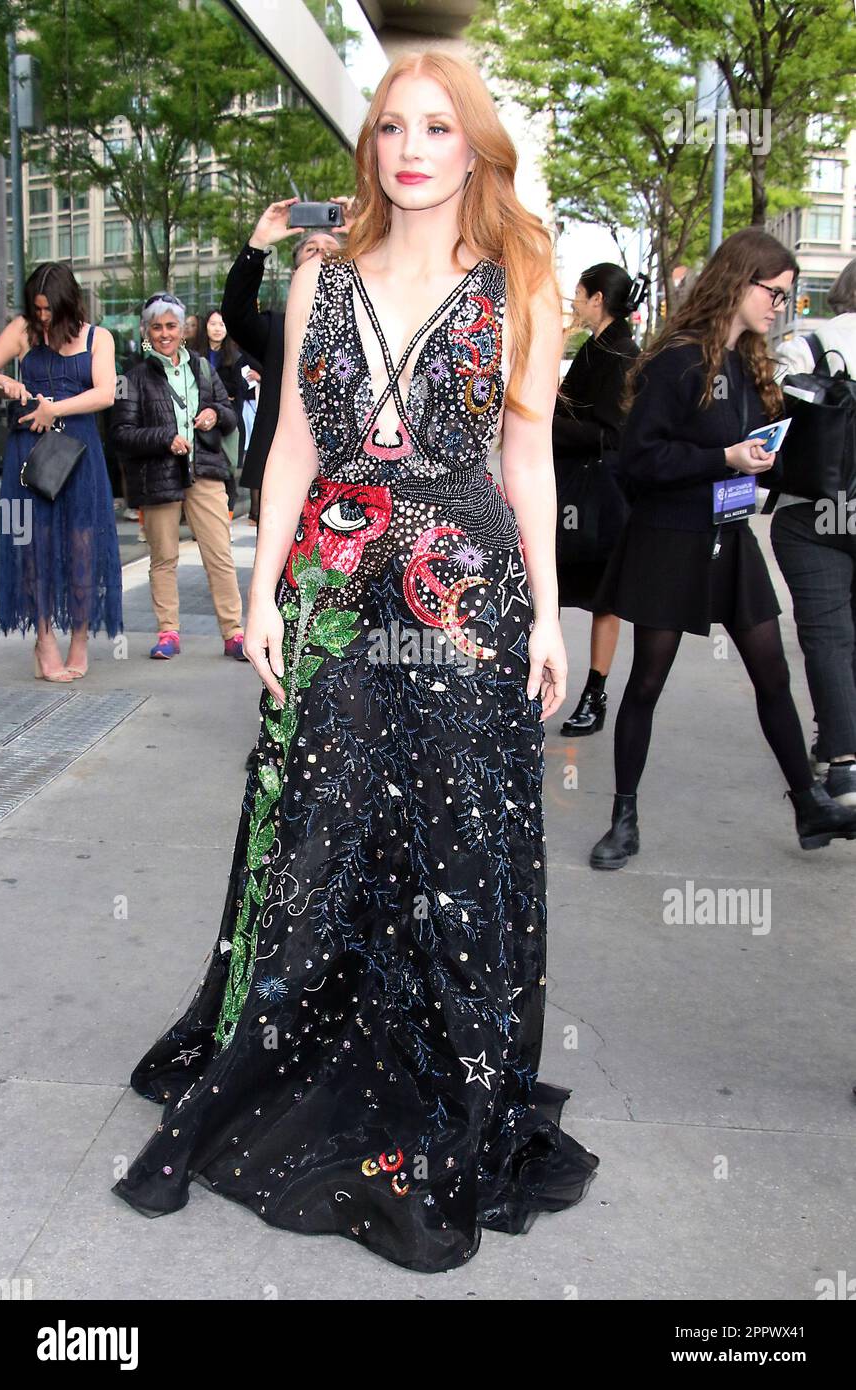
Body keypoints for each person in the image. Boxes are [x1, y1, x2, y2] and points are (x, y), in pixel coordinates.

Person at [112, 50, 599, 1273]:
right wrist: (269, 588)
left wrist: (545, 613)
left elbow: (526, 461)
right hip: (331, 583)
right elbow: (290, 448)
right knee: (322, 820)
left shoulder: (519, 283)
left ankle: (448, 1068)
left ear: (474, 145)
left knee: (455, 832)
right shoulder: (317, 277)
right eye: (391, 127)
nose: (410, 147)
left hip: (461, 589)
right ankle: (300, 1040)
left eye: (437, 127)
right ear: (370, 147)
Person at [589, 228, 856, 869]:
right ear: (739, 281)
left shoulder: (746, 362)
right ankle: (622, 818)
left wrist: (757, 461)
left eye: (787, 298)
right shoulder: (679, 360)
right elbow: (637, 458)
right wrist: (723, 457)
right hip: (670, 540)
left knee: (772, 672)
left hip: (728, 538)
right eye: (775, 293)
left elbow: (726, 452)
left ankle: (809, 802)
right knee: (647, 681)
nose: (780, 307)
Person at [0, 262, 122, 678]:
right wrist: (3, 383)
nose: (42, 316)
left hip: (78, 454)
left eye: (48, 309)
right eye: (37, 308)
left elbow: (105, 393)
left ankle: (78, 641)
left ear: (67, 303)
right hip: (30, 452)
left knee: (83, 549)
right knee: (35, 551)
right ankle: (44, 643)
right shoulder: (24, 330)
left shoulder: (98, 338)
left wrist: (55, 408)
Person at [109, 291, 247, 661]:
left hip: (205, 471)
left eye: (171, 326)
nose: (165, 334)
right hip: (158, 476)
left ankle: (234, 633)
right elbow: (120, 434)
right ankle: (168, 631)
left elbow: (229, 415)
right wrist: (164, 439)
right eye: (157, 327)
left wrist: (215, 415)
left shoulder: (202, 368)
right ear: (146, 331)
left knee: (219, 553)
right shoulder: (132, 377)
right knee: (163, 556)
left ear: (183, 330)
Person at [768, 259, 856, 807]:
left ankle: (844, 765)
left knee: (828, 635)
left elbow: (774, 416)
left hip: (815, 512)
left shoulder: (810, 345)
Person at [554, 263, 641, 737]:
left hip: (597, 497)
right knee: (562, 592)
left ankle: (594, 693)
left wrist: (549, 420)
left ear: (596, 299)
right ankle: (558, 686)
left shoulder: (621, 352)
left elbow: (608, 432)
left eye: (579, 295)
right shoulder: (601, 346)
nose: (574, 302)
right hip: (580, 491)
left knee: (602, 598)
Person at [221, 204, 344, 527]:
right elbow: (235, 312)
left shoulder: (373, 324)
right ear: (295, 272)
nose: (320, 255)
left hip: (350, 474)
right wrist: (259, 242)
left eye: (331, 249)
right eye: (311, 249)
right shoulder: (277, 328)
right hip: (287, 471)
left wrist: (368, 231)